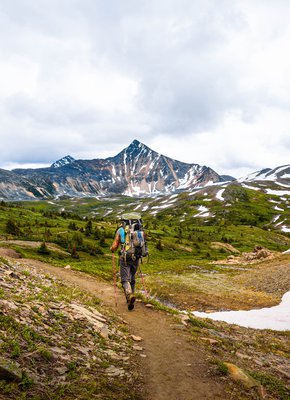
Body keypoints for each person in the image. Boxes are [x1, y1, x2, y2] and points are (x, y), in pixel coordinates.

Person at [110, 221, 139, 310]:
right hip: (136, 257)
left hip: (125, 257)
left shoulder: (121, 230)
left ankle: (129, 294)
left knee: (124, 279)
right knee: (132, 278)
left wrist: (112, 249)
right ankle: (131, 296)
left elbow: (115, 245)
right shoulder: (138, 230)